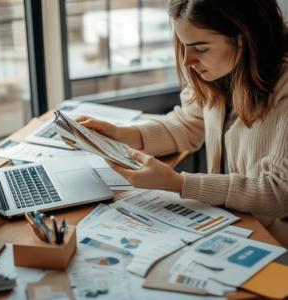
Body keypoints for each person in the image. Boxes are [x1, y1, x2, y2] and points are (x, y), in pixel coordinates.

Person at [63, 0, 288, 247]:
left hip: (273, 240)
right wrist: (119, 133)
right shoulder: (223, 71)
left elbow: (279, 193)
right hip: (233, 220)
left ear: (244, 39)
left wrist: (178, 184)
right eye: (184, 45)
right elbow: (188, 122)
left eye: (201, 49)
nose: (187, 61)